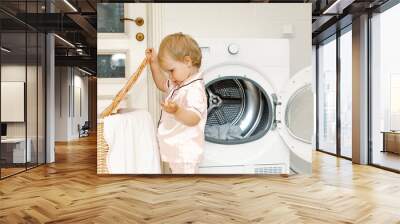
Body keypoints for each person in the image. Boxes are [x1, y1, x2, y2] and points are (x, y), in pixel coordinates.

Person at [146, 32, 207, 174]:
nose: (170, 76)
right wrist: (154, 63)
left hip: (185, 151)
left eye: (171, 70)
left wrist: (177, 111)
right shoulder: (179, 83)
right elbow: (161, 83)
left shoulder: (194, 90)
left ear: (187, 62)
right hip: (176, 149)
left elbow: (194, 118)